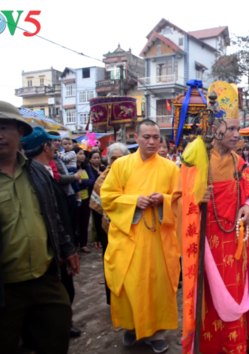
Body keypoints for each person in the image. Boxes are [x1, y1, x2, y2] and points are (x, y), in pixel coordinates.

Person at [0, 100, 80, 353]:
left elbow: (52, 215)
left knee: (55, 341)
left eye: (4, 127)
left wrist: (67, 248)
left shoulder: (37, 171)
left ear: (20, 133)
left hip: (45, 280)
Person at [173, 82, 249, 354]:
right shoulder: (195, 159)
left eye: (238, 129)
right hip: (205, 242)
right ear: (214, 129)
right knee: (209, 297)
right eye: (231, 129)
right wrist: (195, 198)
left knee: (236, 290)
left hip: (234, 242)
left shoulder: (238, 162)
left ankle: (235, 344)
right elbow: (178, 199)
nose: (236, 135)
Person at [101, 120, 181, 353]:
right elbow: (108, 197)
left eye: (156, 137)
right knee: (130, 284)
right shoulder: (121, 165)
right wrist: (133, 201)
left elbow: (178, 199)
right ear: (135, 138)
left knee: (158, 284)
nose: (152, 141)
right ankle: (132, 327)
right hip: (129, 236)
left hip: (159, 238)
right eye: (146, 137)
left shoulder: (170, 168)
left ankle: (157, 333)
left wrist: (163, 200)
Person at [21, 126, 83, 338]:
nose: (57, 147)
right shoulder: (31, 174)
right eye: (53, 144)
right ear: (44, 147)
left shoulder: (47, 169)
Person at [90, 143, 129, 306]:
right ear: (108, 160)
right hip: (108, 231)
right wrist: (96, 236)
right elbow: (95, 209)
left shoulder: (132, 177)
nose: (117, 161)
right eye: (113, 158)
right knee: (111, 265)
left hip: (129, 229)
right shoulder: (102, 180)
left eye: (120, 158)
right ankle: (112, 299)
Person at [73, 146, 96, 253]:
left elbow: (92, 181)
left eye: (83, 154)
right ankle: (73, 245)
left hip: (86, 198)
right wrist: (84, 185)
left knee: (85, 222)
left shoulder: (87, 168)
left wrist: (81, 183)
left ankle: (83, 244)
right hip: (74, 199)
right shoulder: (70, 168)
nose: (82, 156)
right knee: (74, 222)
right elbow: (71, 183)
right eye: (79, 154)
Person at [58, 137, 82, 204]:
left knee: (74, 183)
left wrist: (58, 154)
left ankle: (79, 198)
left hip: (72, 169)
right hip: (67, 169)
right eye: (65, 144)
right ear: (61, 145)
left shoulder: (72, 152)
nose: (67, 145)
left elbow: (66, 158)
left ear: (72, 145)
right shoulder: (63, 152)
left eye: (69, 144)